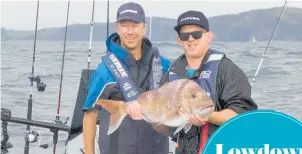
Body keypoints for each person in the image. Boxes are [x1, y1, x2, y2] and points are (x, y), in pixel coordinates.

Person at [153, 10, 258, 154]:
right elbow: (163, 127)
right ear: (179, 40)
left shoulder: (227, 70)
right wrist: (153, 116)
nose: (190, 39)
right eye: (185, 35)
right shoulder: (170, 76)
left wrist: (208, 116)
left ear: (209, 36)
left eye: (197, 34)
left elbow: (242, 116)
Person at [82, 2, 171, 154]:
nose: (130, 31)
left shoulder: (164, 66)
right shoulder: (104, 70)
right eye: (125, 25)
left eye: (135, 25)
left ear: (144, 28)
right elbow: (90, 114)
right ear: (117, 28)